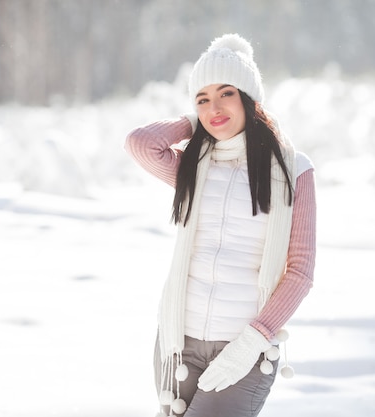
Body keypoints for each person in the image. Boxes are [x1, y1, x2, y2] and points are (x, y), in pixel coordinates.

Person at [125, 33, 316, 417]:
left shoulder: (294, 170)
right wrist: (194, 123)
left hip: (244, 346)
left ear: (249, 97)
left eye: (226, 93)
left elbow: (299, 271)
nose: (214, 107)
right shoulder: (194, 167)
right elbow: (142, 143)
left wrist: (254, 339)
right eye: (202, 99)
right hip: (178, 343)